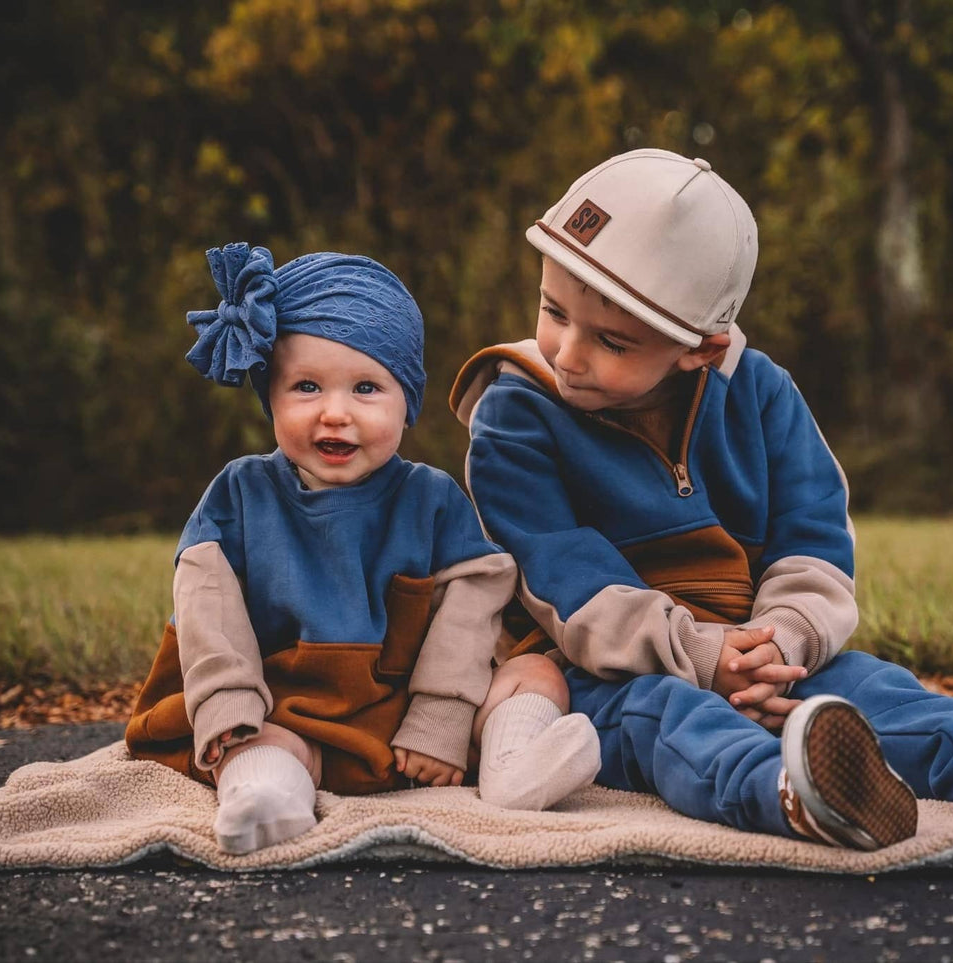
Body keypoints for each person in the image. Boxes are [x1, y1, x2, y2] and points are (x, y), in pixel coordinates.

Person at [448, 148, 953, 850]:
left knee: (875, 690)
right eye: (553, 311)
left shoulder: (760, 394)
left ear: (702, 348)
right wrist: (701, 655)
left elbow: (811, 539)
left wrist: (783, 638)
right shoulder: (518, 410)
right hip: (590, 660)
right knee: (667, 719)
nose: (568, 352)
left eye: (612, 340)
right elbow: (560, 570)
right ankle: (794, 793)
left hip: (753, 642)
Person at [126, 242, 599, 855]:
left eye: (367, 388)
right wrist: (230, 707)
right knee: (258, 744)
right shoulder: (241, 494)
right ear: (268, 395)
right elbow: (207, 612)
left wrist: (440, 722)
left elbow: (476, 598)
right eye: (305, 386)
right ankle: (267, 793)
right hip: (285, 709)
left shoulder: (430, 498)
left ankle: (514, 768)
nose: (334, 413)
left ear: (409, 404)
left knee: (534, 671)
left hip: (409, 723)